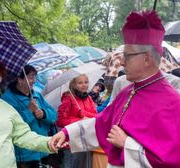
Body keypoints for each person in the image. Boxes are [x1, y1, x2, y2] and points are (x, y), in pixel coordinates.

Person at [50, 10, 180, 168]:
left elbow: (171, 161)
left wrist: (126, 143)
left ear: (147, 59)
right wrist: (67, 133)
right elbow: (102, 124)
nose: (123, 63)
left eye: (127, 56)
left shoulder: (172, 102)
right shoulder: (127, 91)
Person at [1, 65, 58, 168]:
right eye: (31, 77)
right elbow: (12, 125)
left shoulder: (36, 95)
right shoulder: (7, 99)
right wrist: (28, 111)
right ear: (20, 80)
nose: (34, 81)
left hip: (42, 148)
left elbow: (54, 115)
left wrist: (44, 114)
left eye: (35, 77)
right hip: (25, 154)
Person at [57, 74, 97, 168]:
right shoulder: (68, 98)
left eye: (86, 82)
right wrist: (79, 121)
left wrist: (84, 114)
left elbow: (96, 115)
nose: (84, 85)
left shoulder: (88, 98)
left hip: (86, 139)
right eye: (80, 83)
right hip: (72, 141)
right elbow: (60, 121)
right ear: (74, 84)